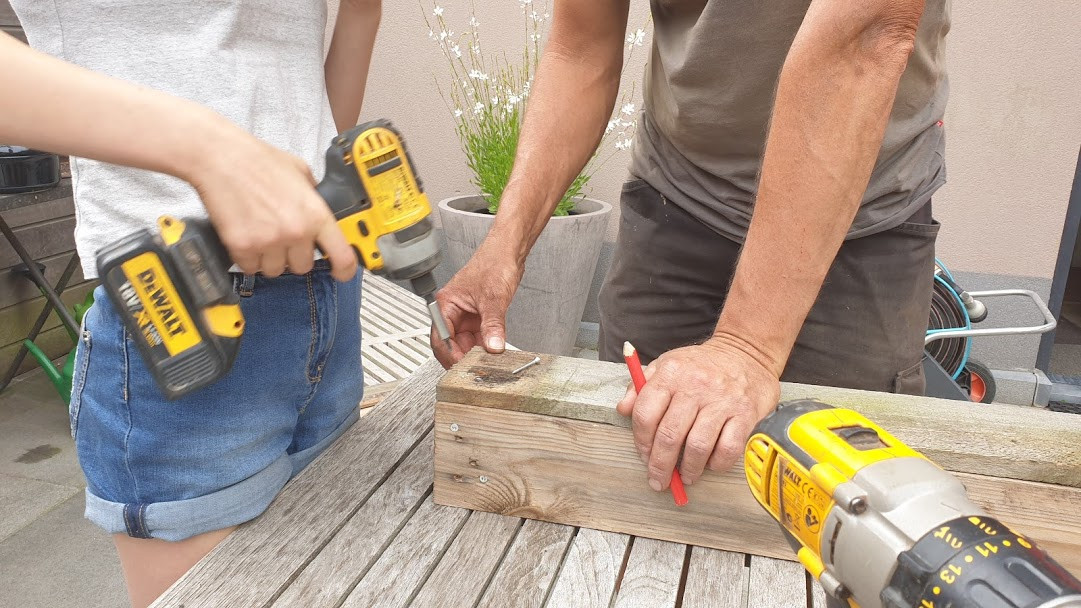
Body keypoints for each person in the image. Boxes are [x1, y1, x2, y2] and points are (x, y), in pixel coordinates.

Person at [432, 0, 947, 496]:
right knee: (622, 476)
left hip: (855, 222)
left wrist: (746, 347)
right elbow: (582, 46)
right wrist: (505, 245)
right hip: (678, 194)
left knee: (834, 508)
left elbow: (864, 41)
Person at [1, 0, 380, 605]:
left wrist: (362, 13)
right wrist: (204, 145)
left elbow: (302, 129)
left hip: (326, 303)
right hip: (180, 319)